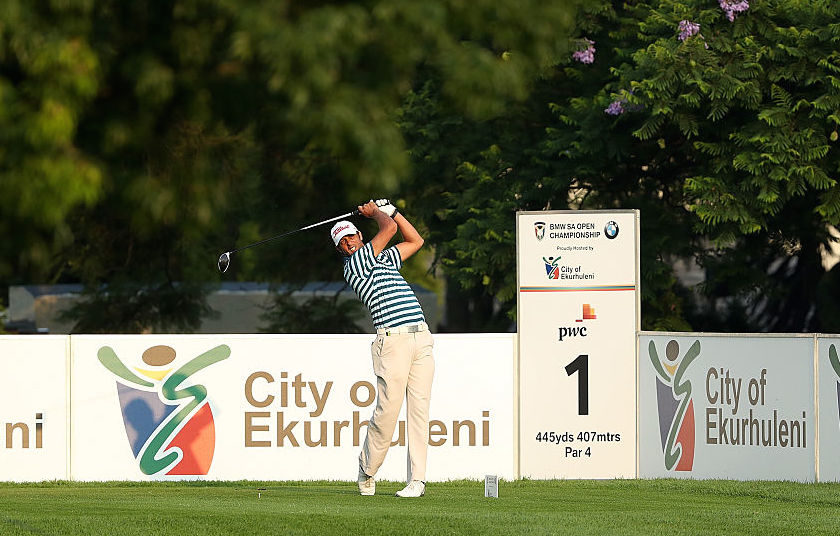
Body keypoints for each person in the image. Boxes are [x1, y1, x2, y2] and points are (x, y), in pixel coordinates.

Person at [330, 199, 434, 498]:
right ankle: (367, 469)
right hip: (392, 342)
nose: (348, 243)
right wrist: (376, 212)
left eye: (351, 236)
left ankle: (417, 481)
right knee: (387, 413)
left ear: (359, 236)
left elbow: (415, 240)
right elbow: (387, 229)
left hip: (421, 337)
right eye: (342, 242)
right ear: (340, 249)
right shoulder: (356, 265)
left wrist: (395, 211)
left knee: (419, 412)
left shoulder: (385, 259)